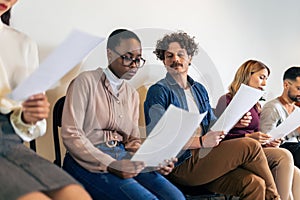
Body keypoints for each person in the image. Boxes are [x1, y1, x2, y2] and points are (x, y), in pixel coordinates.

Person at [144, 31, 280, 200]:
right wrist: (200, 141)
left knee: (254, 184)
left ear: (190, 58)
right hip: (181, 164)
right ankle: (275, 197)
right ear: (163, 60)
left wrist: (235, 123)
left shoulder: (199, 89)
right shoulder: (159, 91)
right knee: (250, 146)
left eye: (180, 54)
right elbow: (158, 138)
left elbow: (213, 124)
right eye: (169, 56)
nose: (175, 60)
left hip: (206, 158)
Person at [61, 29, 185, 200]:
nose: (134, 65)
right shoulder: (85, 81)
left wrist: (153, 161)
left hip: (122, 155)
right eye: (128, 57)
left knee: (176, 197)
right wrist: (110, 164)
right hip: (84, 161)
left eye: (138, 59)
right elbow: (71, 135)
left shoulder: (131, 94)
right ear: (110, 54)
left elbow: (132, 142)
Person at [0, 1, 92, 200]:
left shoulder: (22, 43)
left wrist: (28, 116)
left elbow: (31, 124)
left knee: (78, 197)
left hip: (10, 143)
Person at [215, 60, 300, 200]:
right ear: (247, 75)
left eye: (266, 79)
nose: (265, 84)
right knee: (284, 156)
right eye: (261, 77)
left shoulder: (256, 106)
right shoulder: (226, 100)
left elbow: (258, 136)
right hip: (236, 153)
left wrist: (269, 142)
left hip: (255, 150)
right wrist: (249, 136)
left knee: (296, 173)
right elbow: (218, 137)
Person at [260, 67, 300, 168]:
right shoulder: (272, 107)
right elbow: (266, 139)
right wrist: (294, 131)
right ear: (286, 85)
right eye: (298, 88)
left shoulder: (297, 110)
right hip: (283, 149)